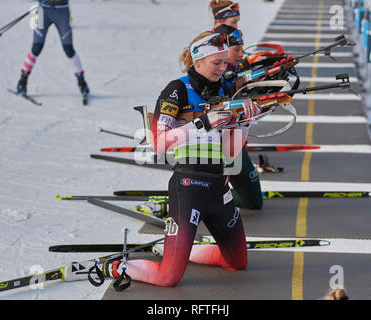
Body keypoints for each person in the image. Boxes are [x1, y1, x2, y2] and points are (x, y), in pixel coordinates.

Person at [109, 32, 267, 287]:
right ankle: (117, 266)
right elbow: (158, 143)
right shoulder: (177, 89)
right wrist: (202, 122)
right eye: (217, 62)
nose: (223, 68)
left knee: (237, 262)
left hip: (218, 188)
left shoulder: (225, 89)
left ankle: (182, 253)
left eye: (225, 62)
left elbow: (230, 152)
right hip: (188, 188)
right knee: (168, 277)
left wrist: (245, 123)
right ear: (198, 61)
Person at [213, 23, 263, 210]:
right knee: (202, 198)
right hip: (213, 147)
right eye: (237, 50)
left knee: (253, 201)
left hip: (233, 143)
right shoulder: (212, 74)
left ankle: (216, 198)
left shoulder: (235, 71)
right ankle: (171, 204)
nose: (242, 54)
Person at [16, 0, 89, 97]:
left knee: (68, 49)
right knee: (37, 47)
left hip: (62, 12)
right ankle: (22, 81)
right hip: (43, 11)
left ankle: (82, 82)